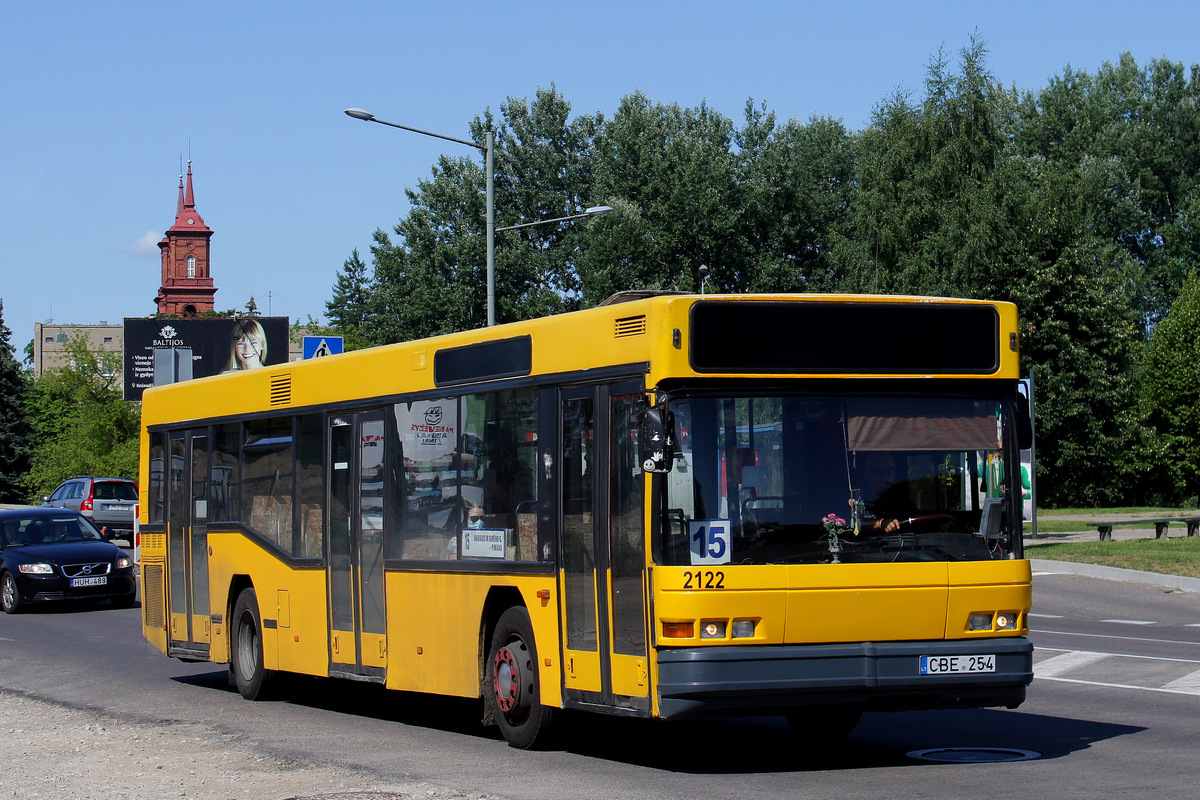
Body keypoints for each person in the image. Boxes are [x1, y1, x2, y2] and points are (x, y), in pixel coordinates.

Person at [856, 452, 919, 534]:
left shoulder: (902, 499)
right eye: (878, 472)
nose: (885, 477)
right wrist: (881, 523)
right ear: (866, 474)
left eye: (889, 471)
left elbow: (919, 521)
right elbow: (855, 521)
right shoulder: (858, 497)